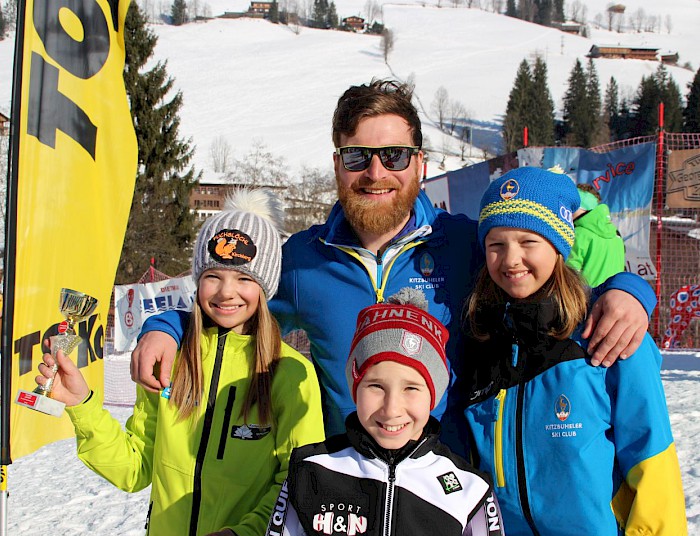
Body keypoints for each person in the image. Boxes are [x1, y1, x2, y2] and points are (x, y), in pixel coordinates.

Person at [130, 79, 655, 441]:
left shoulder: (468, 244)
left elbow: (556, 268)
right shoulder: (302, 262)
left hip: (448, 487)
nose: (376, 172)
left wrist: (630, 290)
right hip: (344, 493)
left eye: (394, 156)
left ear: (420, 163)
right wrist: (169, 326)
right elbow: (231, 303)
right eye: (358, 156)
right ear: (337, 165)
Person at [34, 189, 325, 536]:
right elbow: (134, 467)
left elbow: (296, 483)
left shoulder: (289, 372)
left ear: (266, 287)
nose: (227, 292)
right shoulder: (168, 360)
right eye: (213, 276)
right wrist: (82, 406)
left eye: (244, 278)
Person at [459, 167, 687, 536]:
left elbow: (657, 495)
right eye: (496, 244)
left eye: (530, 242)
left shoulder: (611, 340)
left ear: (560, 245)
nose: (511, 259)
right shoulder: (478, 343)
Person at [254, 288, 511, 536]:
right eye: (375, 386)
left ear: (435, 394)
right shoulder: (310, 472)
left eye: (411, 388)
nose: (391, 409)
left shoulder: (469, 489)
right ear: (354, 387)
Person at [566, 182, 626, 287]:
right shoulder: (616, 234)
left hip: (585, 298)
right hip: (610, 295)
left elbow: (569, 274)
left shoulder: (579, 234)